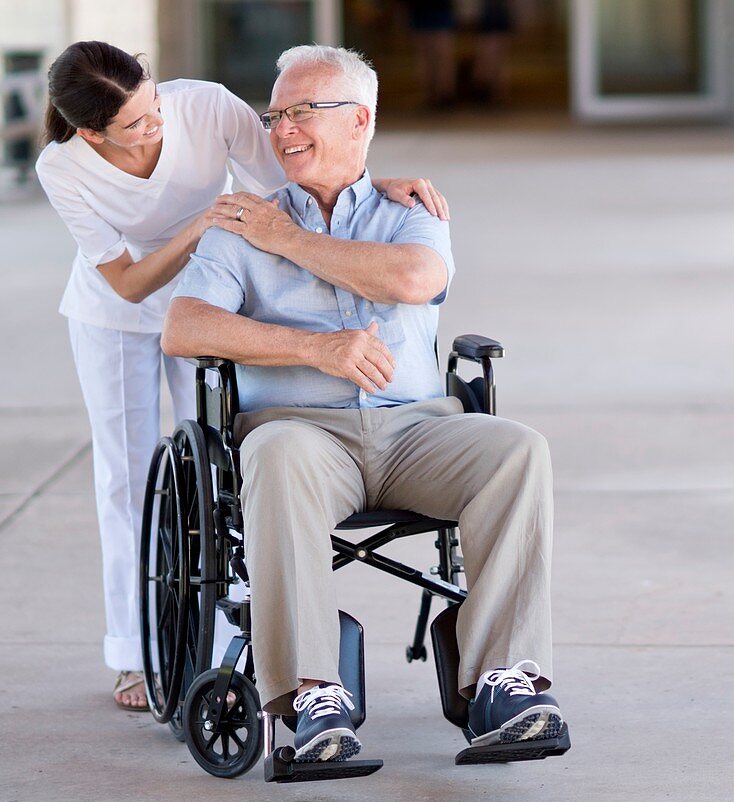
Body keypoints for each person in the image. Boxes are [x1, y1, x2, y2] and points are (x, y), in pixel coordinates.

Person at [163, 44, 564, 764]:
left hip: (415, 431)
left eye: (303, 112)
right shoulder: (241, 224)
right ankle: (315, 696)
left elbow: (414, 278)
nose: (282, 128)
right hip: (301, 435)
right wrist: (312, 348)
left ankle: (507, 681)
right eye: (276, 113)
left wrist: (291, 240)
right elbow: (184, 327)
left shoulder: (410, 210)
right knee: (275, 453)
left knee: (516, 448)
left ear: (361, 121)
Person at [36, 40, 448, 711]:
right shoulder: (64, 168)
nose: (155, 126)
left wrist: (374, 185)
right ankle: (135, 652)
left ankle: (230, 627)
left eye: (152, 104)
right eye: (135, 125)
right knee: (127, 477)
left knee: (214, 466)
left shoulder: (205, 108)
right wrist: (202, 222)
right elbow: (132, 283)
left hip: (213, 291)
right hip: (116, 312)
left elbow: (293, 184)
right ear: (90, 132)